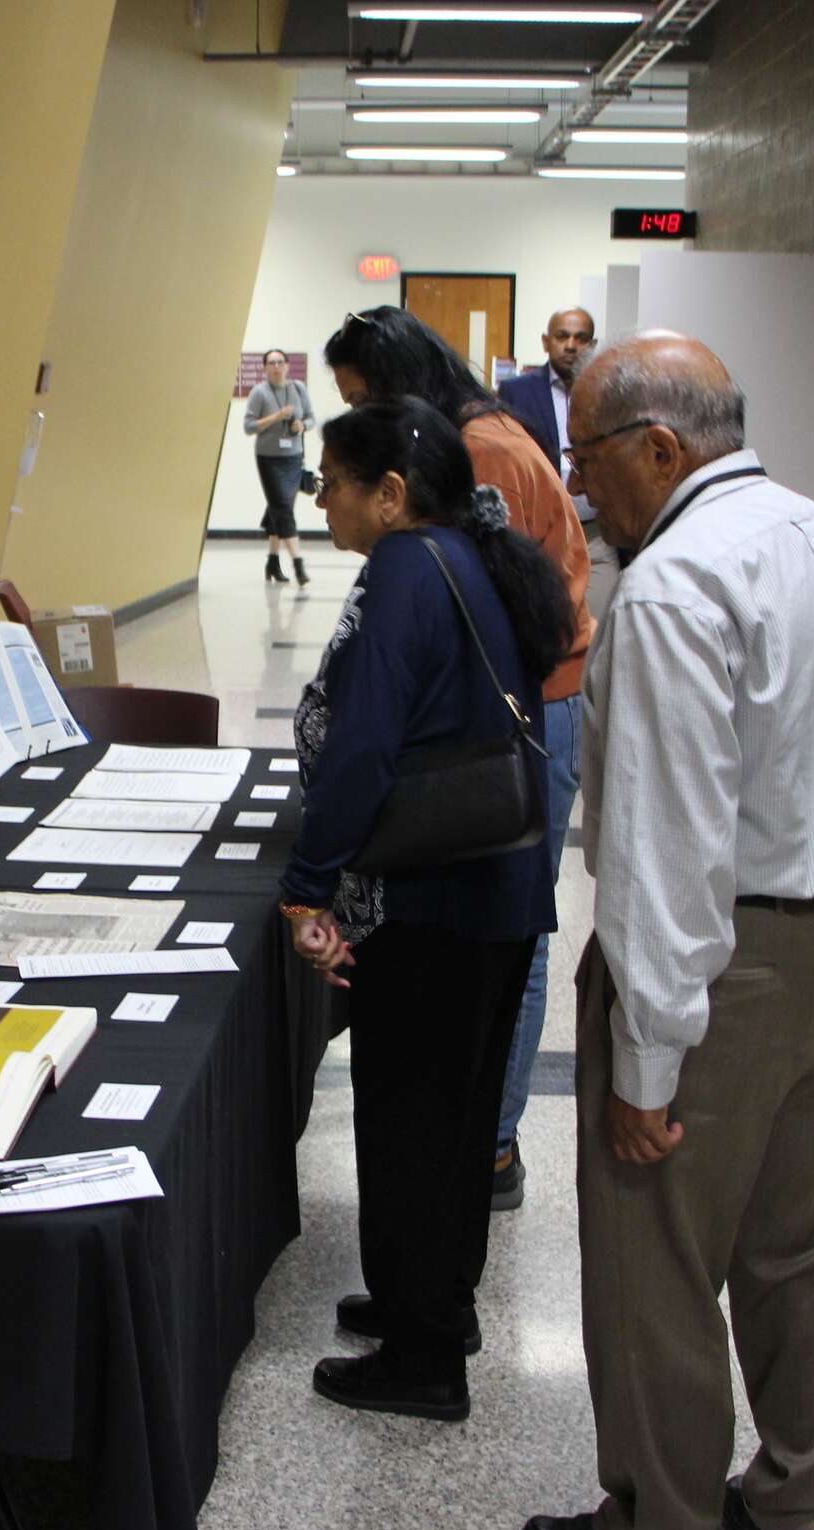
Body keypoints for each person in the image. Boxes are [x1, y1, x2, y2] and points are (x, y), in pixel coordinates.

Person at [516, 333, 814, 1530]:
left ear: (661, 448)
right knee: (801, 1245)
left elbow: (669, 848)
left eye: (587, 461)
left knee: (656, 1255)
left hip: (721, 968)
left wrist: (647, 1056)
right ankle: (805, 1514)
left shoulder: (674, 587)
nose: (580, 493)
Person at [278, 395, 571, 1423]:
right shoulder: (471, 553)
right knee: (452, 1118)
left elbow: (362, 746)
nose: (321, 500)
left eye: (331, 482)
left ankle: (421, 1356)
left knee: (406, 1118)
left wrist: (309, 884)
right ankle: (434, 1302)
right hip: (494, 889)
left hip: (434, 897)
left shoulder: (404, 570)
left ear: (388, 493)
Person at [322, 304, 592, 1211]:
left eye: (362, 401)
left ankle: (493, 1142)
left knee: (512, 923)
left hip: (532, 714)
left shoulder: (489, 450)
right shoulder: (461, 447)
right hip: (506, 714)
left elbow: (492, 616)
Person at [499, 306, 596, 484]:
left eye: (581, 339)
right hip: (537, 496)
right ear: (546, 342)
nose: (570, 346)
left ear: (592, 346)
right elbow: (506, 456)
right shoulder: (516, 392)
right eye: (562, 336)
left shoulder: (604, 393)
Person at [243, 348, 314, 584]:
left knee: (279, 508)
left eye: (280, 362)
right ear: (264, 367)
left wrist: (302, 425)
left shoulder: (298, 389)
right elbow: (249, 426)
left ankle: (272, 562)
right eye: (271, 363)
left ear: (287, 366)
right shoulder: (259, 393)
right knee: (283, 507)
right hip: (268, 458)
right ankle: (298, 564)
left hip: (293, 457)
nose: (276, 367)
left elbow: (312, 418)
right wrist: (276, 417)